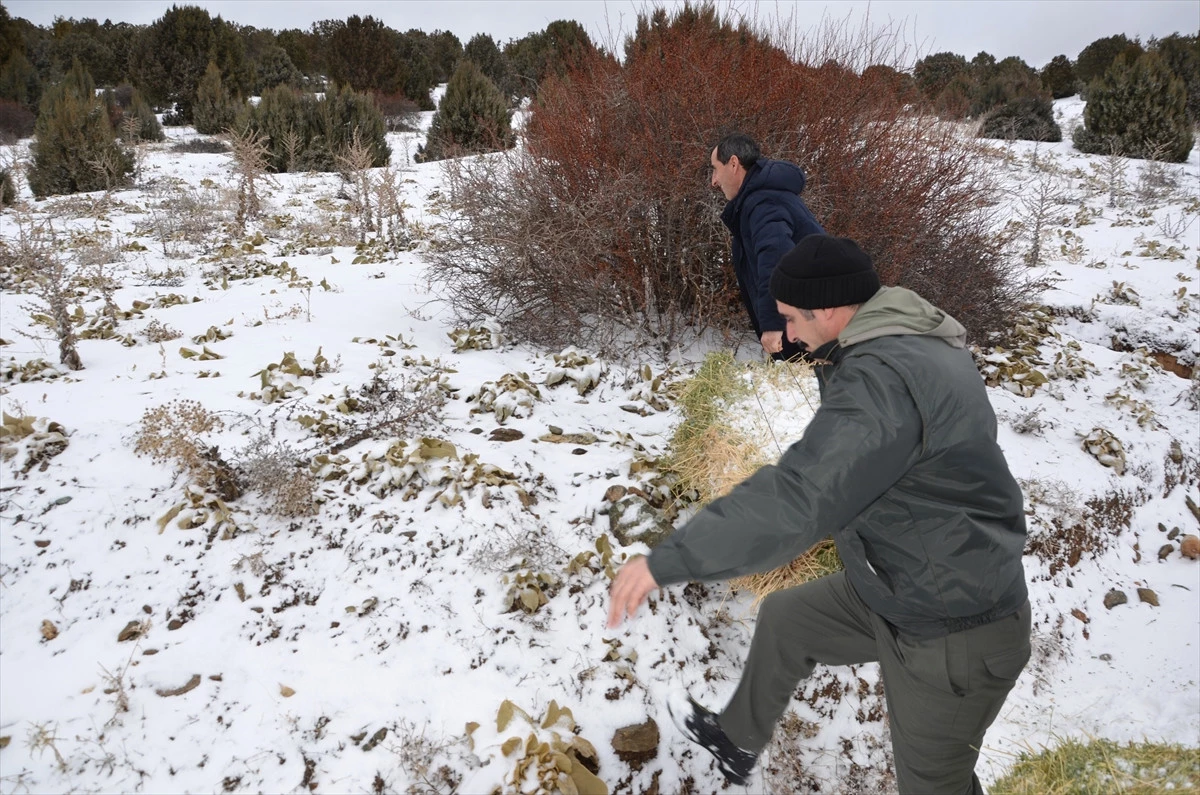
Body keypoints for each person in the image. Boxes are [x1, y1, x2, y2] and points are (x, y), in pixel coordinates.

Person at [608, 234, 1031, 794]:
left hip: (952, 627)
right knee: (789, 620)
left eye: (790, 318)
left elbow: (799, 497)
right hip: (904, 584)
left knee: (934, 785)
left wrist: (669, 561)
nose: (786, 334)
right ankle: (736, 738)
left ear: (829, 309)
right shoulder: (898, 337)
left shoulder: (884, 380)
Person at [710, 133, 825, 361]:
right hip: (811, 320)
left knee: (810, 392)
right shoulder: (759, 199)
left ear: (733, 164)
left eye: (715, 169)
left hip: (812, 326)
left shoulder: (763, 202)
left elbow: (776, 260)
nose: (714, 180)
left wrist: (773, 323)